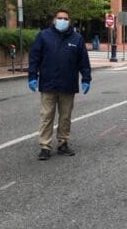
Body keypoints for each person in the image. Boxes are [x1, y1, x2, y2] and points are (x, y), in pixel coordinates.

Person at [28, 9, 92, 160]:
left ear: (69, 21)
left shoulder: (77, 39)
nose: (62, 21)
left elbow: (83, 61)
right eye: (60, 18)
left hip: (68, 84)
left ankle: (63, 142)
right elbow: (34, 57)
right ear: (54, 19)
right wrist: (32, 76)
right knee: (46, 116)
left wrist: (86, 78)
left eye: (65, 18)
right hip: (48, 84)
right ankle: (45, 146)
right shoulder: (44, 36)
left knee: (65, 117)